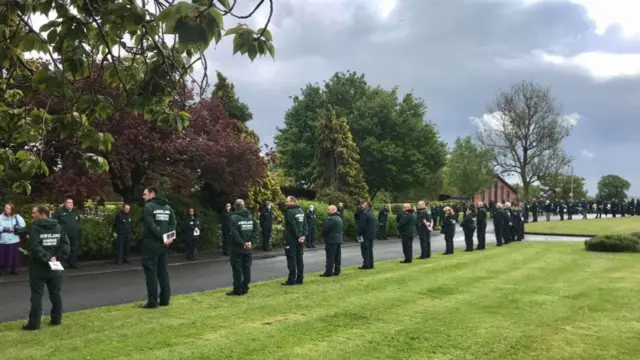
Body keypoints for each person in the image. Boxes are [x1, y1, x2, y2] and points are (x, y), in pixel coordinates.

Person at [23, 205, 70, 331]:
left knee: (37, 295)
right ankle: (56, 319)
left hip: (38, 267)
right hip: (55, 266)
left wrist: (47, 257)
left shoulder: (35, 228)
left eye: (34, 213)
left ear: (43, 214)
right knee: (56, 294)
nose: (32, 215)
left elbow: (35, 246)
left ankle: (34, 324)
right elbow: (65, 246)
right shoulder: (58, 227)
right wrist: (55, 257)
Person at [140, 187, 176, 309]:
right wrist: (168, 237)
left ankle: (152, 302)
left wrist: (162, 237)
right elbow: (173, 223)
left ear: (152, 194)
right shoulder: (167, 207)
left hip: (151, 244)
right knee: (163, 272)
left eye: (145, 194)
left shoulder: (148, 207)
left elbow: (151, 225)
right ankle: (165, 300)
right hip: (164, 245)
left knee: (151, 272)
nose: (143, 196)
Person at [227, 199, 257, 296]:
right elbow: (255, 230)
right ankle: (245, 287)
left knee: (237, 269)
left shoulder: (234, 218)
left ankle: (238, 289)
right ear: (244, 206)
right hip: (248, 248)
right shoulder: (250, 216)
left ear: (235, 206)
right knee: (247, 267)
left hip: (237, 248)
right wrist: (251, 242)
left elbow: (234, 233)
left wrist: (242, 243)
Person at [282, 196, 307, 286]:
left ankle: (291, 279)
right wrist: (303, 236)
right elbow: (305, 225)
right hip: (300, 239)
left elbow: (292, 225)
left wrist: (297, 236)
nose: (285, 203)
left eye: (287, 201)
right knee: (299, 258)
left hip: (291, 239)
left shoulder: (289, 211)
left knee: (291, 258)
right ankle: (300, 278)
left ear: (292, 202)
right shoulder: (301, 211)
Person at [53, 197, 81, 269]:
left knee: (74, 248)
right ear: (65, 204)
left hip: (74, 234)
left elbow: (78, 221)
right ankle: (61, 264)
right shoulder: (59, 211)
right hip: (64, 234)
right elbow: (54, 221)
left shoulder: (75, 211)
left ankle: (72, 263)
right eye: (69, 202)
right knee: (63, 249)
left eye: (72, 203)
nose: (71, 204)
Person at [1, 203, 26, 275]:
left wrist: (15, 227)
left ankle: (13, 269)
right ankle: (2, 269)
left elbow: (23, 225)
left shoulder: (16, 216)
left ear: (12, 209)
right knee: (2, 255)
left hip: (14, 239)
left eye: (8, 208)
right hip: (3, 240)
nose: (6, 209)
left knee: (14, 255)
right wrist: (6, 229)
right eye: (5, 208)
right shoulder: (0, 217)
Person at [320, 205, 344, 277]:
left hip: (331, 240)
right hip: (338, 239)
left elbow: (325, 229)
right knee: (337, 256)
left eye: (329, 210)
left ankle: (328, 272)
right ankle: (337, 270)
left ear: (333, 210)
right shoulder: (339, 218)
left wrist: (322, 235)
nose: (328, 211)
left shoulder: (331, 219)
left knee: (330, 257)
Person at [357, 201, 376, 269]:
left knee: (365, 250)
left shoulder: (364, 214)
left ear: (367, 206)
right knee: (370, 250)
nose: (362, 206)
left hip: (364, 235)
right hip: (371, 235)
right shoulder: (371, 214)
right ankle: (371, 264)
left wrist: (358, 234)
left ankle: (366, 265)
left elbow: (362, 226)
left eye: (364, 205)